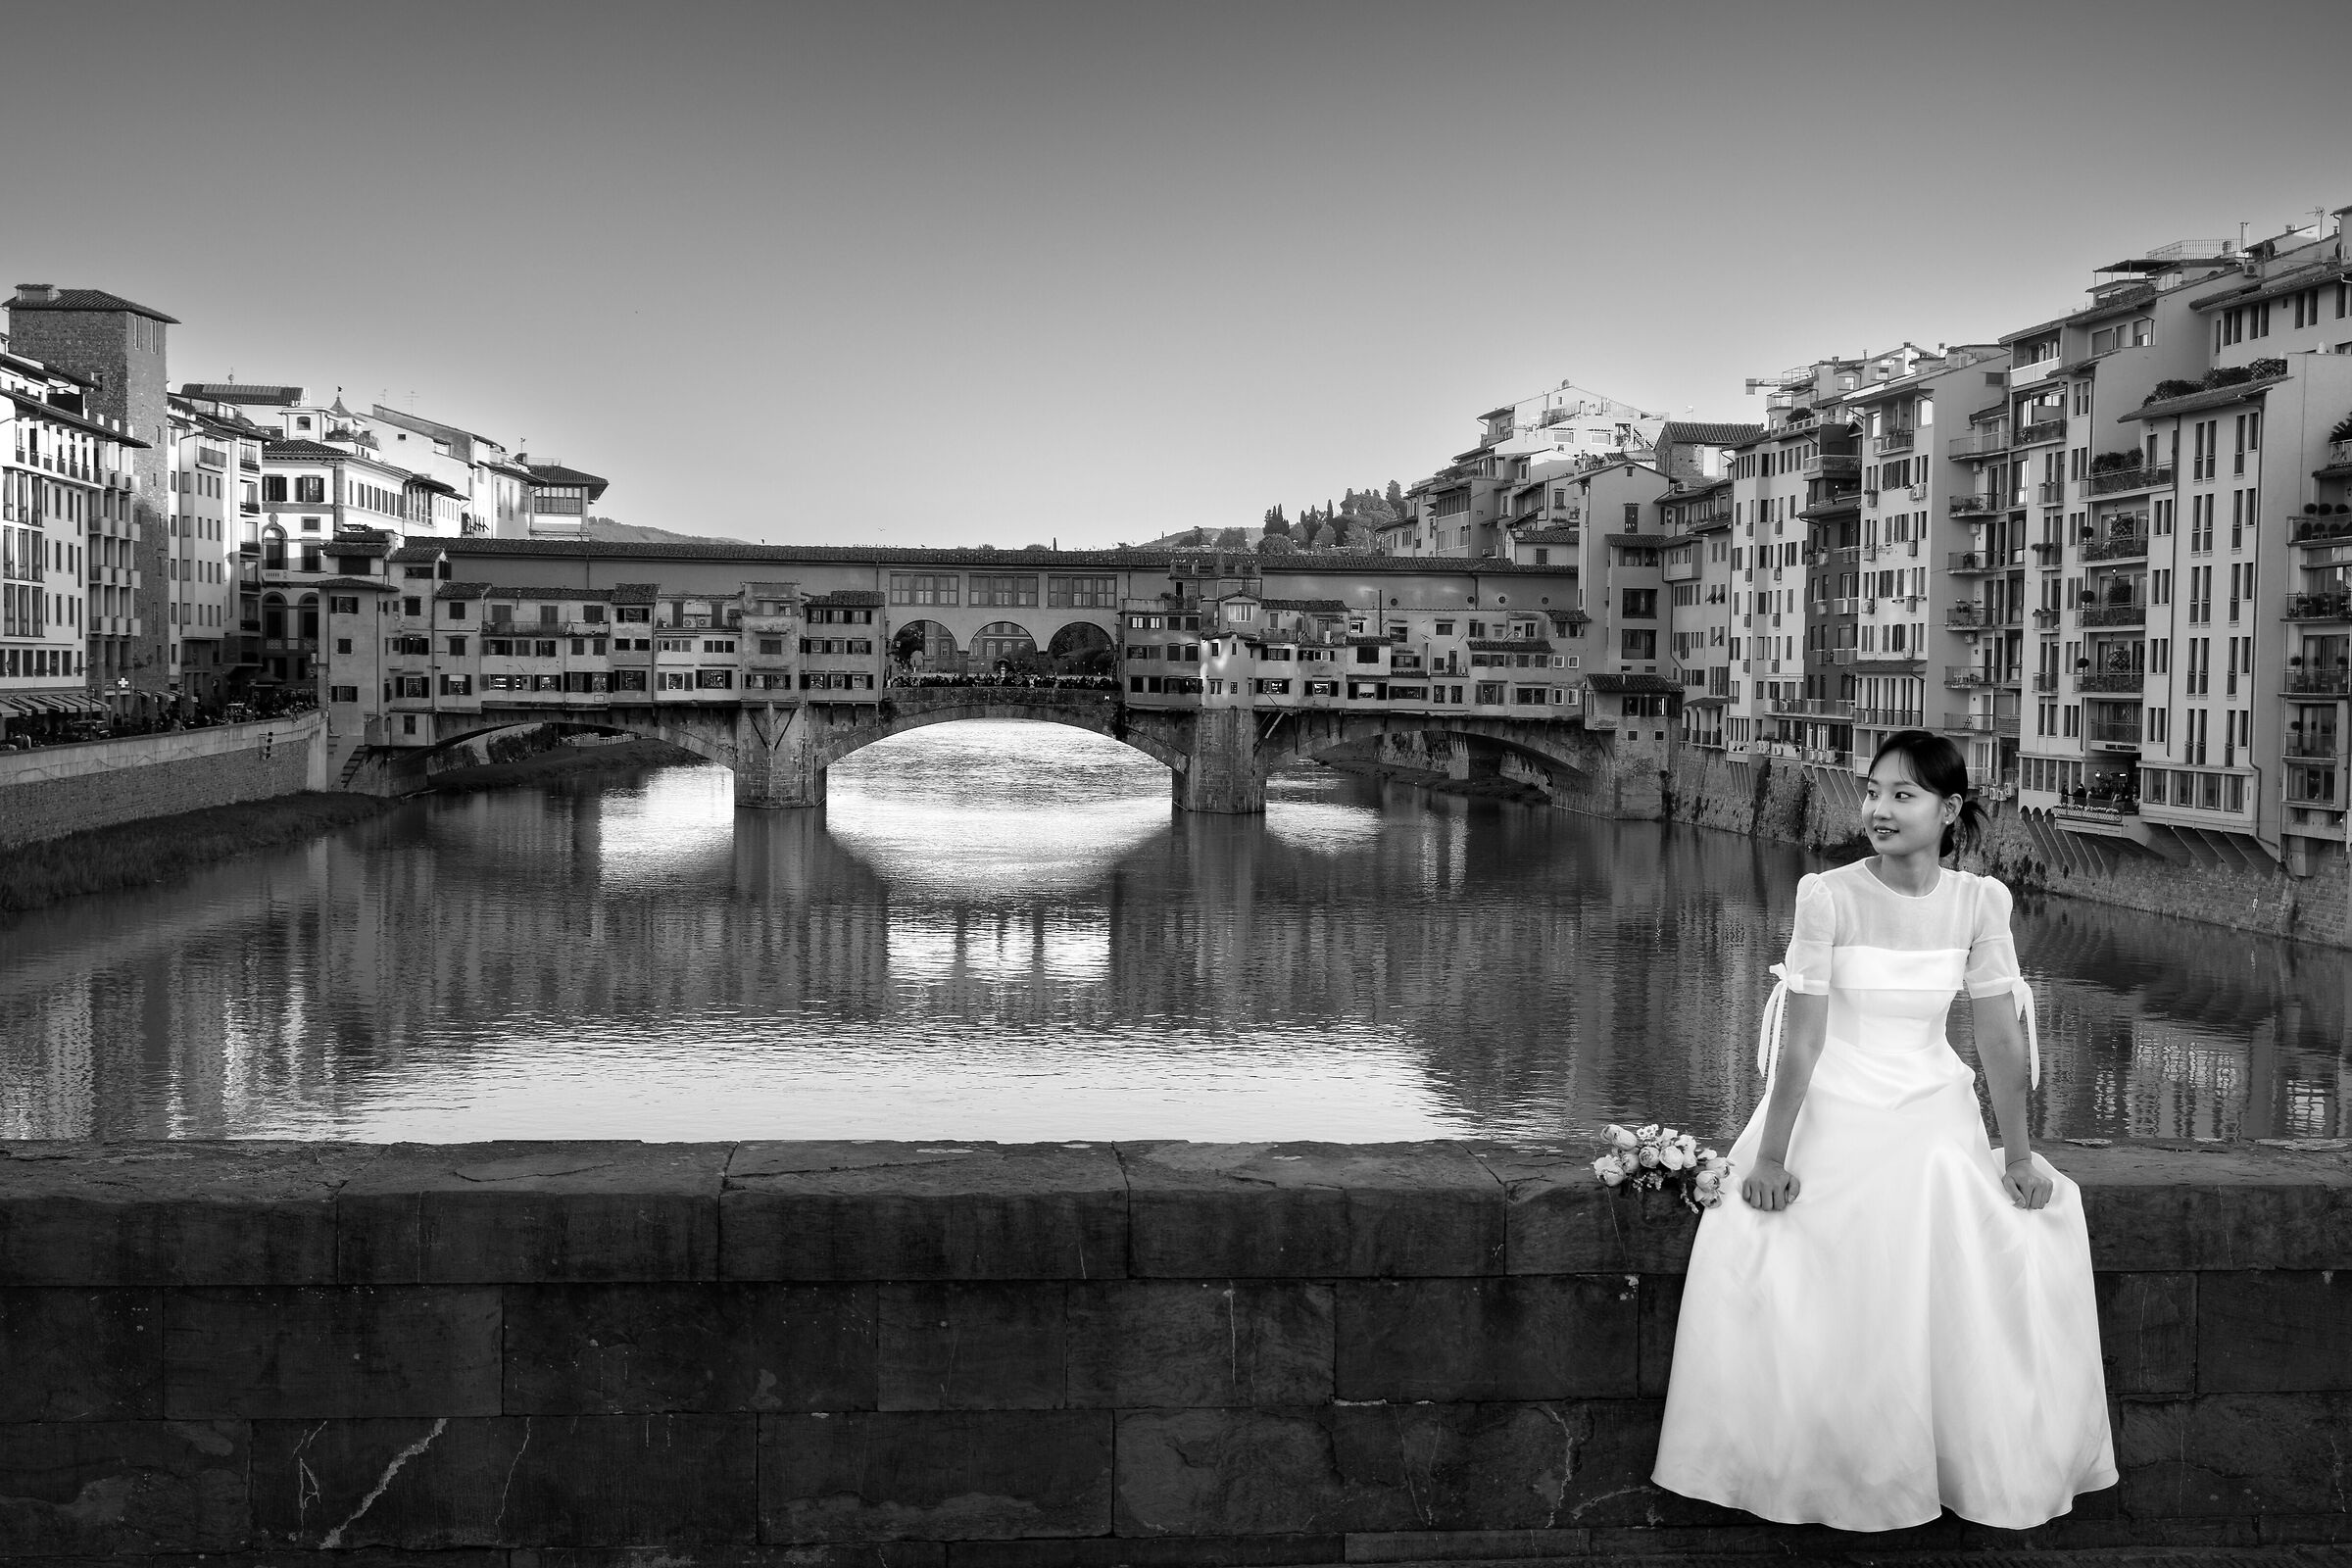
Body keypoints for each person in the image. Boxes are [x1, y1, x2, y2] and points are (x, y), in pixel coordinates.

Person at [1652, 729, 2115, 1531]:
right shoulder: (1826, 895)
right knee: (1774, 1237)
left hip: (1932, 1102)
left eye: (1903, 795)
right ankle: (1812, 1469)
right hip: (1835, 1098)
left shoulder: (1981, 902)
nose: (1878, 808)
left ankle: (1960, 1461)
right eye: (1872, 792)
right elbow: (1801, 1041)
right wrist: (1771, 1154)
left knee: (2000, 1215)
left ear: (1950, 810)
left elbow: (2000, 1038)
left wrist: (2019, 1151)